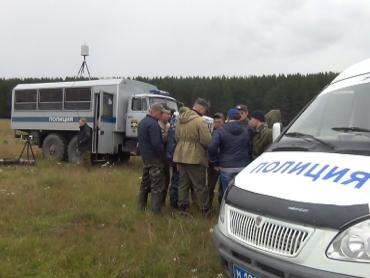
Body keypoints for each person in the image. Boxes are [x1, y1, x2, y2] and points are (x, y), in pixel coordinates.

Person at [173, 98, 212, 215]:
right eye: (205, 109)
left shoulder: (180, 120)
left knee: (183, 185)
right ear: (200, 108)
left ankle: (182, 209)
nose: (205, 112)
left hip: (180, 156)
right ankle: (205, 210)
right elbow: (207, 141)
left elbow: (176, 137)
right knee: (200, 186)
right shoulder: (200, 121)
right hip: (195, 157)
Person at [208, 108, 252, 196]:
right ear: (239, 117)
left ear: (227, 117)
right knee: (240, 193)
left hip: (226, 166)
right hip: (242, 166)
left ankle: (226, 208)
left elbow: (212, 147)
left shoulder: (220, 130)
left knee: (227, 193)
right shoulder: (246, 130)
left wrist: (215, 162)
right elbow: (250, 147)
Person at [137, 103, 165, 214]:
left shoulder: (142, 122)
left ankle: (141, 207)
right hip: (155, 159)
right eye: (161, 113)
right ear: (156, 112)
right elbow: (156, 143)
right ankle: (156, 211)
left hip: (146, 158)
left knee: (144, 184)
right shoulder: (153, 124)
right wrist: (162, 156)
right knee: (157, 186)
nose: (162, 115)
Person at [206, 112, 225, 209]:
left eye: (219, 121)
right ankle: (207, 207)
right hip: (212, 165)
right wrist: (213, 163)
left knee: (222, 188)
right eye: (215, 122)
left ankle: (221, 207)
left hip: (223, 164)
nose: (217, 123)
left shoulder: (225, 133)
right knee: (210, 187)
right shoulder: (211, 132)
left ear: (223, 121)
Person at [158, 106, 171, 205]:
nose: (169, 116)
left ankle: (162, 201)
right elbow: (161, 140)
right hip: (159, 157)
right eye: (167, 114)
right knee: (160, 180)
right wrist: (168, 132)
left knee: (167, 179)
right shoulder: (158, 125)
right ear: (162, 114)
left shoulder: (168, 125)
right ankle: (159, 201)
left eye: (170, 114)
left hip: (167, 157)